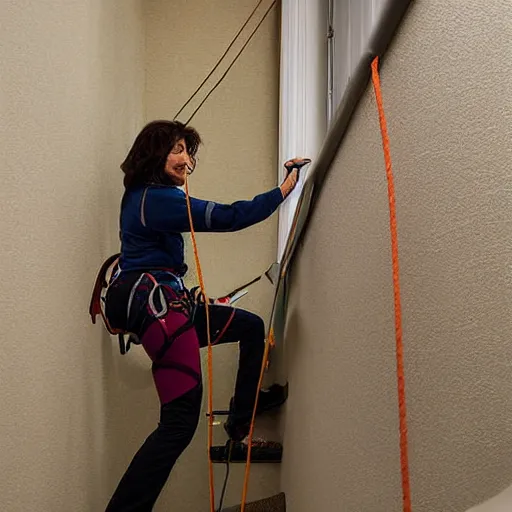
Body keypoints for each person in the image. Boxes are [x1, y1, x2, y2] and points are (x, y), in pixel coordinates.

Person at [101, 120, 304, 511]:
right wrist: (284, 189)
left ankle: (240, 421)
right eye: (177, 149)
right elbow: (229, 216)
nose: (186, 160)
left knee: (251, 327)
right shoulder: (153, 199)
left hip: (170, 306)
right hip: (160, 308)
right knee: (177, 425)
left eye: (188, 152)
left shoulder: (146, 198)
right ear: (154, 153)